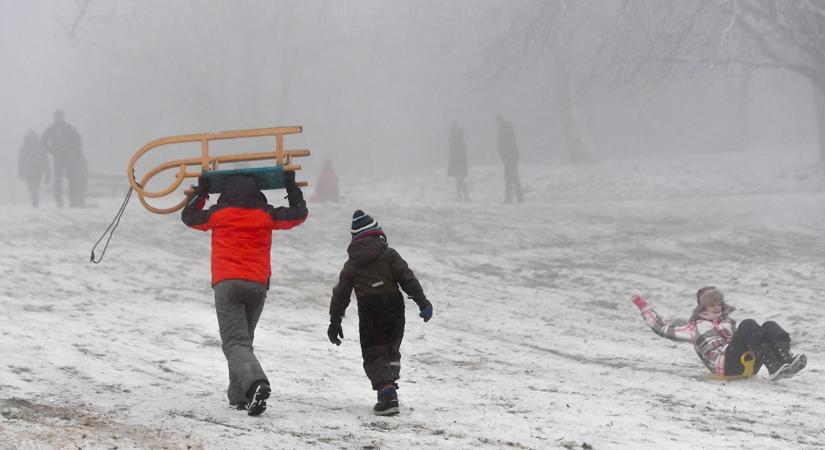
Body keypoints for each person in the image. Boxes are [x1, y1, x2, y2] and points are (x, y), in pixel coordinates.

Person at [181, 171, 308, 416]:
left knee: (235, 343)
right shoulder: (265, 214)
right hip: (257, 285)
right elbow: (299, 213)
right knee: (243, 343)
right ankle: (240, 397)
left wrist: (202, 191)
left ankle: (256, 383)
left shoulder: (218, 214)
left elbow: (188, 216)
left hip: (227, 283)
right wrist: (292, 186)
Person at [326, 210, 433, 415]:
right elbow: (407, 278)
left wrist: (335, 321)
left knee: (374, 350)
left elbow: (341, 295)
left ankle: (386, 391)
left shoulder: (352, 264)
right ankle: (390, 384)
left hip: (370, 310)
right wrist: (422, 302)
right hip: (394, 306)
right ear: (378, 234)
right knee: (392, 346)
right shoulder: (389, 254)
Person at [631, 286, 807, 380]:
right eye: (712, 304)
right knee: (748, 324)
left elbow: (746, 340)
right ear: (703, 307)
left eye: (719, 303)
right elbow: (662, 328)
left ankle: (785, 360)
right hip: (725, 367)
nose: (717, 307)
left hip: (748, 363)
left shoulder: (727, 322)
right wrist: (643, 306)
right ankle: (773, 365)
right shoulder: (693, 327)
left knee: (769, 325)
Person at [41, 110, 86, 207]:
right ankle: (59, 201)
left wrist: (74, 152)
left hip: (69, 158)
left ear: (63, 117)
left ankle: (72, 200)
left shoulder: (68, 128)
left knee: (71, 179)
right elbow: (43, 141)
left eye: (60, 117)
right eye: (57, 117)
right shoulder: (51, 129)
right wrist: (52, 151)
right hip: (58, 158)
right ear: (55, 118)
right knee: (58, 179)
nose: (59, 119)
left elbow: (78, 140)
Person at [17, 130, 51, 207]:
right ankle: (35, 199)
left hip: (33, 170)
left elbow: (20, 161)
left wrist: (20, 172)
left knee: (33, 187)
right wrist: (48, 173)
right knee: (33, 186)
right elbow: (45, 160)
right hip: (35, 170)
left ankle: (34, 199)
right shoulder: (35, 147)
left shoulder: (26, 148)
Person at [495, 114, 523, 204]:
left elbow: (503, 144)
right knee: (513, 176)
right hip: (511, 155)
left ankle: (510, 197)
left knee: (510, 177)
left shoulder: (503, 128)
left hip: (509, 156)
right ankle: (518, 197)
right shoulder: (507, 127)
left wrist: (507, 155)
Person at [447, 122, 470, 202]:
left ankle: (459, 196)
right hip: (460, 162)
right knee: (461, 180)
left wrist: (452, 161)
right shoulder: (459, 138)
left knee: (458, 180)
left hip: (457, 162)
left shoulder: (455, 139)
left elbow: (454, 152)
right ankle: (465, 196)